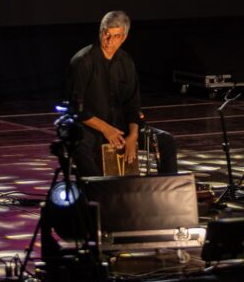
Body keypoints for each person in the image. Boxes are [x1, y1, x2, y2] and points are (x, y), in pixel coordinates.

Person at [66, 10, 177, 177]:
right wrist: (106, 129)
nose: (109, 41)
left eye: (116, 36)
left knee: (166, 140)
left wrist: (132, 136)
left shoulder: (126, 61)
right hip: (91, 128)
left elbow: (132, 105)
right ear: (101, 31)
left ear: (124, 37)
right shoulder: (83, 61)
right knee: (79, 145)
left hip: (121, 127)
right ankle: (99, 193)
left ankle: (169, 192)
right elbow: (75, 109)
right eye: (107, 34)